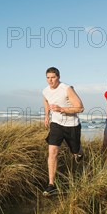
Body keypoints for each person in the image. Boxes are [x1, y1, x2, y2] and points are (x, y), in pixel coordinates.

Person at [42, 67, 84, 196]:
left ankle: (79, 152)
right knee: (52, 151)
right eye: (48, 77)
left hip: (72, 126)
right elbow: (46, 101)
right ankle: (51, 184)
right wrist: (47, 116)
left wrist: (62, 109)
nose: (50, 80)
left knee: (76, 153)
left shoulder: (66, 88)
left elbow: (80, 108)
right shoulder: (45, 91)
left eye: (53, 77)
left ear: (58, 77)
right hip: (56, 125)